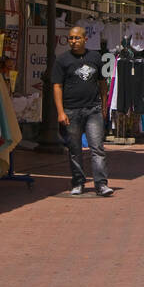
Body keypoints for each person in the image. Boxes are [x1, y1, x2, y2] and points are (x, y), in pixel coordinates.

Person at [51, 25, 113, 197]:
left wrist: (103, 105)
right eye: (71, 38)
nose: (73, 41)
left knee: (97, 148)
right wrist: (60, 112)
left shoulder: (95, 57)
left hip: (93, 110)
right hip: (71, 110)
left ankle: (101, 184)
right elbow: (57, 86)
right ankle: (78, 182)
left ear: (85, 39)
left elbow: (102, 83)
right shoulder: (62, 60)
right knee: (75, 149)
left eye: (77, 38)